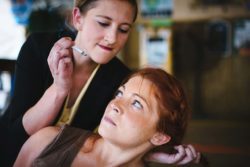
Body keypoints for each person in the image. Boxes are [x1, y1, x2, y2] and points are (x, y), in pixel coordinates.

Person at [0, 0, 200, 166]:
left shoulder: (120, 77)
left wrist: (145, 151)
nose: (112, 38)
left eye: (123, 29)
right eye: (103, 23)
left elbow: (108, 139)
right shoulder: (39, 48)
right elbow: (18, 132)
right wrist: (60, 88)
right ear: (78, 18)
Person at [14, 67, 193, 167]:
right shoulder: (48, 142)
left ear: (159, 136)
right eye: (119, 94)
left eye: (137, 103)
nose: (115, 105)